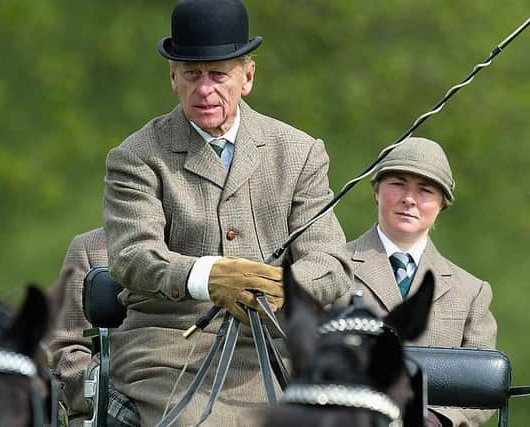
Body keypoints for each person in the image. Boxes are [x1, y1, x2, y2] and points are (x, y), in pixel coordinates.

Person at [102, 0, 351, 425]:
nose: (205, 90)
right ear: (173, 79)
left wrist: (283, 286)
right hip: (170, 349)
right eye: (192, 75)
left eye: (219, 75)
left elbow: (332, 266)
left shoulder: (300, 153)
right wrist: (207, 277)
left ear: (247, 77)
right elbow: (133, 257)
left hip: (280, 348)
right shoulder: (137, 157)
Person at [343, 136, 497, 427]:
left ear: (442, 205)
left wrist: (439, 419)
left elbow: (482, 387)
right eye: (398, 184)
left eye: (425, 190)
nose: (409, 199)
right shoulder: (333, 267)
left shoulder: (471, 292)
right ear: (376, 191)